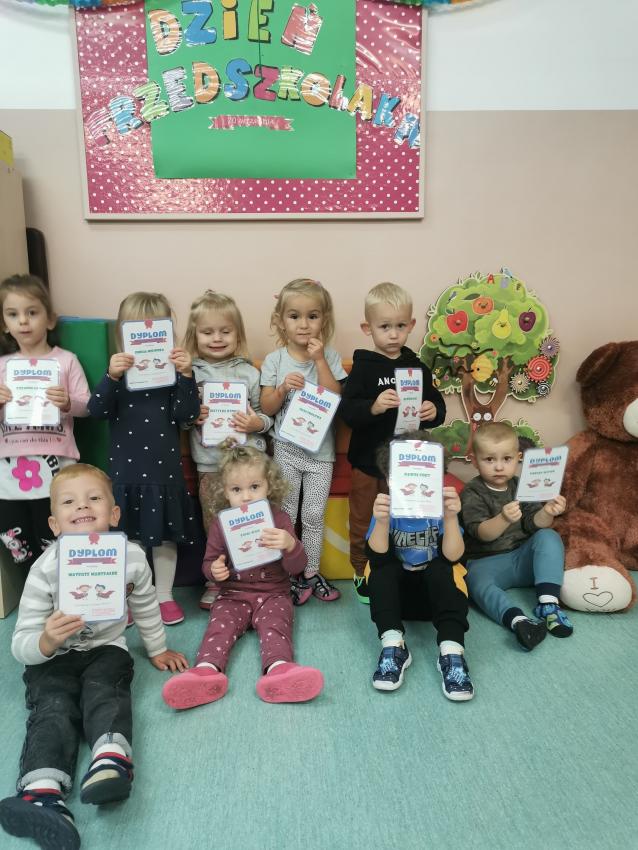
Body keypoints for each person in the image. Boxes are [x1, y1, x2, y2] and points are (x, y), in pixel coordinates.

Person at [0, 463, 188, 850]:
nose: (83, 506)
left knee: (107, 693)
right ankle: (42, 792)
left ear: (114, 514)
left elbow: (146, 605)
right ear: (54, 524)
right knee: (53, 708)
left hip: (107, 648)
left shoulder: (131, 557)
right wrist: (46, 641)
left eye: (94, 498)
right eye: (69, 502)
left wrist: (157, 647)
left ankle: (110, 759)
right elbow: (20, 643)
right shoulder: (44, 569)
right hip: (53, 658)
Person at [161, 446, 324, 709]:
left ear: (269, 486)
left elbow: (297, 567)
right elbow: (208, 564)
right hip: (232, 595)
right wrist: (215, 571)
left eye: (255, 487)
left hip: (273, 593)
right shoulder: (221, 523)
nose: (246, 496)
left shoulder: (280, 519)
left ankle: (280, 669)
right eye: (236, 489)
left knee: (276, 628)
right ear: (225, 492)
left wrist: (291, 545)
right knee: (218, 628)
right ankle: (206, 670)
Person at [88, 292, 201, 626]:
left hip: (164, 475)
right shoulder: (117, 375)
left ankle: (164, 595)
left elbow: (187, 415)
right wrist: (111, 377)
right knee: (129, 539)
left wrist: (187, 375)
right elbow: (96, 410)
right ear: (122, 334)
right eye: (135, 331)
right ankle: (128, 597)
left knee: (165, 537)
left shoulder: (172, 373)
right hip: (126, 474)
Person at [340, 282, 446, 603]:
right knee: (363, 518)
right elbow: (347, 412)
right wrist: (373, 407)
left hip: (408, 465)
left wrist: (432, 411)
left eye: (400, 326)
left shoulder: (418, 368)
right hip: (367, 463)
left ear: (411, 325)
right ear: (368, 328)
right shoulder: (363, 368)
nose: (393, 334)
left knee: (405, 517)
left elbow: (437, 407)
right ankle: (361, 570)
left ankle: (399, 568)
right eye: (384, 327)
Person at [366, 432, 474, 700]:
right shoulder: (387, 508)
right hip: (398, 603)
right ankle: (393, 645)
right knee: (380, 571)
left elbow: (454, 557)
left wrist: (451, 519)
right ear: (389, 478)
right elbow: (377, 558)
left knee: (444, 569)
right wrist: (381, 522)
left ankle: (452, 651)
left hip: (435, 600)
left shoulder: (440, 508)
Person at [182, 290, 273, 610]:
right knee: (214, 524)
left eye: (225, 331)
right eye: (208, 332)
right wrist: (191, 416)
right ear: (195, 335)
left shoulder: (250, 373)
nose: (217, 338)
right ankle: (216, 580)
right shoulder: (188, 373)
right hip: (210, 465)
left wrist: (256, 423)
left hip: (248, 467)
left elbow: (267, 417)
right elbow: (179, 418)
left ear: (238, 334)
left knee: (254, 520)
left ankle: (256, 575)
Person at [260, 278, 346, 604]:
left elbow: (335, 396)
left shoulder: (330, 357)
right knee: (286, 513)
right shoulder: (275, 360)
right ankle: (288, 574)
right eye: (294, 316)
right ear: (281, 320)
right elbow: (266, 407)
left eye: (313, 316)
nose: (304, 324)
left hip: (321, 454)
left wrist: (320, 360)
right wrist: (282, 389)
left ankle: (310, 572)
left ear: (324, 320)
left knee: (312, 515)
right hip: (286, 449)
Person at [0, 274, 90, 571]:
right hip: (8, 474)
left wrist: (67, 401)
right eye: (13, 314)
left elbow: (88, 406)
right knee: (18, 544)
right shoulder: (2, 365)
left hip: (55, 468)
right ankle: (33, 591)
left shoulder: (66, 360)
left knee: (55, 541)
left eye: (32, 312)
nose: (23, 321)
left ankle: (60, 590)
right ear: (4, 323)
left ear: (50, 320)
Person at [460, 421, 574, 650]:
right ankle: (517, 620)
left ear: (518, 458)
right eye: (489, 459)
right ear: (474, 460)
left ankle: (548, 604)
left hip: (522, 558)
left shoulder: (522, 485)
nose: (499, 467)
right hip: (486, 561)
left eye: (507, 459)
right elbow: (481, 533)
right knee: (474, 581)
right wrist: (503, 518)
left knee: (548, 536)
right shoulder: (472, 491)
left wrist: (547, 512)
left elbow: (534, 524)